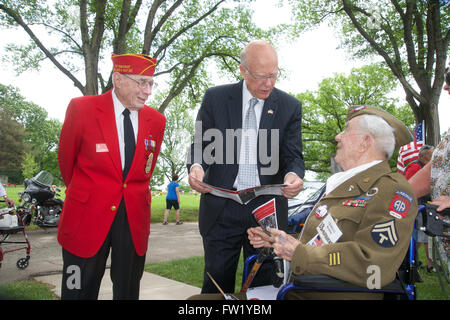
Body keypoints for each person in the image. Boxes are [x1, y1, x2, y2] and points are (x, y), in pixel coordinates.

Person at [190, 105, 417, 300]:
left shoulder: (392, 189)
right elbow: (323, 240)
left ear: (365, 142)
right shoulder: (346, 185)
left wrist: (299, 253)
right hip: (300, 290)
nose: (338, 136)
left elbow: (374, 266)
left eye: (346, 131)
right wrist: (280, 241)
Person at [187, 40, 305, 294]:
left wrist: (294, 176)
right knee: (216, 286)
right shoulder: (216, 98)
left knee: (263, 287)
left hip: (266, 212)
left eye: (274, 75)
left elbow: (293, 155)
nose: (269, 83)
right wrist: (197, 166)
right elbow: (200, 143)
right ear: (243, 71)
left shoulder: (290, 106)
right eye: (262, 76)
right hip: (221, 209)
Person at [57, 53, 166, 300]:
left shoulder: (157, 121)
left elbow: (144, 171)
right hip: (86, 218)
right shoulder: (82, 109)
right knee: (77, 289)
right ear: (118, 78)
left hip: (133, 220)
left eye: (151, 83)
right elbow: (66, 163)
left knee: (128, 290)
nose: (147, 91)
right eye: (141, 82)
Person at [402, 145, 435, 272]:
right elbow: (409, 187)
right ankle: (412, 261)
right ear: (421, 156)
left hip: (422, 205)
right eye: (430, 157)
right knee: (417, 236)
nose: (432, 159)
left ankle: (418, 261)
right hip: (416, 206)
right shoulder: (415, 167)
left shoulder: (420, 166)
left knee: (422, 236)